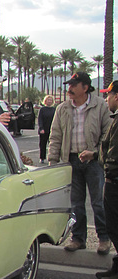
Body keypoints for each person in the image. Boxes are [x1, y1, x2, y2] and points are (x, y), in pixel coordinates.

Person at [47, 72, 112, 255]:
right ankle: (78, 238)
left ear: (85, 87)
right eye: (69, 85)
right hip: (72, 161)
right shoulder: (63, 108)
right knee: (76, 203)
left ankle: (104, 238)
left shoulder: (100, 106)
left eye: (74, 85)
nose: (70, 89)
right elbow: (56, 136)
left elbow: (107, 134)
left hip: (93, 161)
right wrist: (53, 161)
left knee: (98, 202)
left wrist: (95, 153)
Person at [96, 80, 118, 279]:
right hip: (112, 179)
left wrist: (108, 170)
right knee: (113, 226)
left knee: (115, 226)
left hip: (115, 181)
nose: (106, 99)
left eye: (109, 95)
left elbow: (113, 154)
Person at [38, 95, 56, 164]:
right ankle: (42, 158)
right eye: (48, 100)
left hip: (51, 130)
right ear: (45, 101)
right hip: (43, 130)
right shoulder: (42, 109)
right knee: (42, 144)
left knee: (52, 145)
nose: (49, 101)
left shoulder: (54, 110)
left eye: (51, 100)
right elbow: (40, 119)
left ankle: (52, 158)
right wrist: (41, 128)